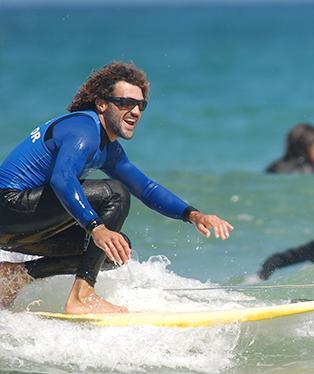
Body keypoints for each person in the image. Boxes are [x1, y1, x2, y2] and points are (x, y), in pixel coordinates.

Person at [0, 61, 233, 313]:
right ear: (101, 104)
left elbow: (146, 188)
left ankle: (14, 276)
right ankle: (81, 296)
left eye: (140, 105)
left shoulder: (108, 148)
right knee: (115, 194)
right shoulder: (84, 129)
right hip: (10, 206)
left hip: (22, 223)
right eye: (125, 103)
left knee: (116, 250)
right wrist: (96, 227)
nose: (134, 111)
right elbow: (62, 179)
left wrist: (193, 214)